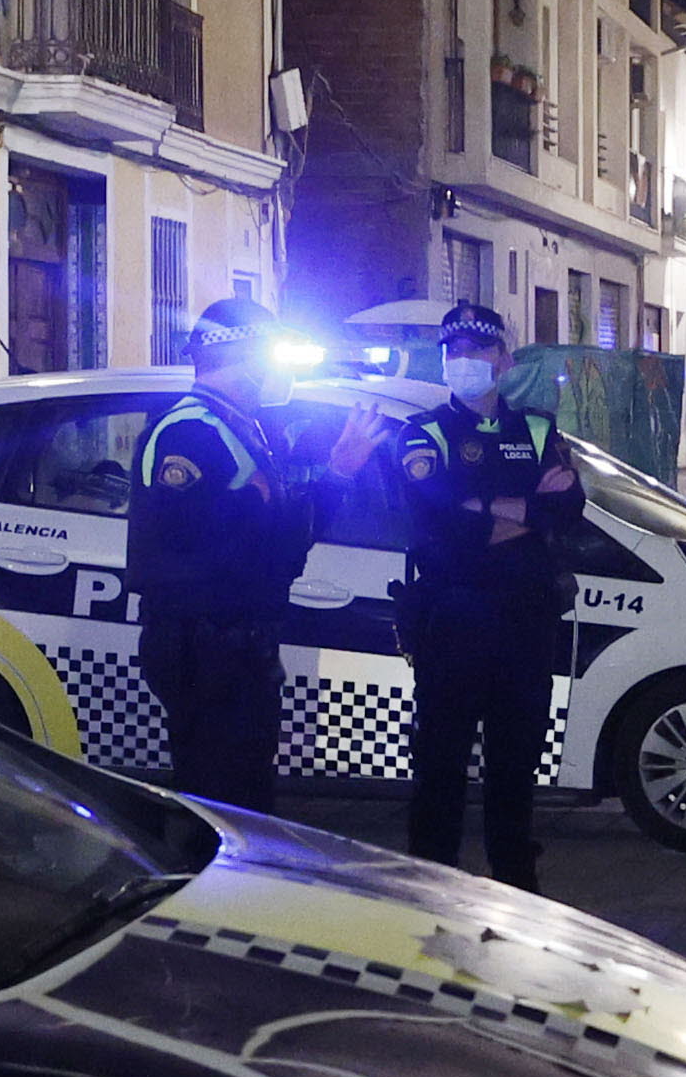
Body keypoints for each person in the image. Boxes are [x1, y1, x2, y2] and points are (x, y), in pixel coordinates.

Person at [126, 298, 373, 813]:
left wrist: (334, 476)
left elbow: (278, 536)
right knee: (221, 802)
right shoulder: (190, 432)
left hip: (236, 644)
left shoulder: (237, 426)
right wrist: (271, 510)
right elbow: (227, 546)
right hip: (207, 647)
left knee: (241, 796)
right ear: (247, 356)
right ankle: (208, 891)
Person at [388, 302, 582, 888]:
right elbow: (437, 519)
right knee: (440, 769)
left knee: (515, 768)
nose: (464, 362)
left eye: (476, 351)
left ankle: (517, 888)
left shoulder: (539, 428)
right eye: (453, 353)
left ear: (503, 359)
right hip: (452, 624)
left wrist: (485, 510)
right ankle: (433, 886)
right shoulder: (422, 432)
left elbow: (569, 508)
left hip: (525, 625)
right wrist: (526, 512)